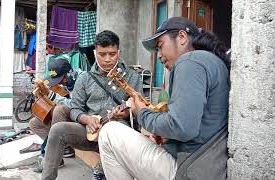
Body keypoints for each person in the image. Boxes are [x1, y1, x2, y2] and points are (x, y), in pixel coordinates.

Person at [98, 17, 230, 180]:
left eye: (160, 46)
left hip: (188, 171)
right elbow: (195, 125)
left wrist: (143, 113)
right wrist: (164, 137)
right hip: (205, 167)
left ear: (182, 37)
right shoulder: (212, 62)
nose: (159, 56)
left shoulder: (190, 61)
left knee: (109, 133)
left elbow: (182, 127)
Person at [41, 30, 143, 180]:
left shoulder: (132, 77)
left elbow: (140, 109)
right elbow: (75, 108)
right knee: (57, 130)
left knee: (114, 130)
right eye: (102, 54)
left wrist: (127, 113)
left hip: (120, 135)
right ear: (95, 53)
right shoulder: (85, 78)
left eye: (112, 54)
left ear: (118, 52)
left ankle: (103, 170)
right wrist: (87, 120)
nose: (107, 59)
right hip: (90, 132)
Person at [28, 58, 81, 172]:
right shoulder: (65, 81)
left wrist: (51, 95)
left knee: (59, 110)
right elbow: (47, 81)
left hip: (81, 115)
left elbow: (75, 105)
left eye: (61, 79)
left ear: (69, 72)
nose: (60, 83)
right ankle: (63, 148)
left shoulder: (82, 79)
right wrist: (40, 91)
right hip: (69, 117)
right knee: (34, 124)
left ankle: (51, 157)